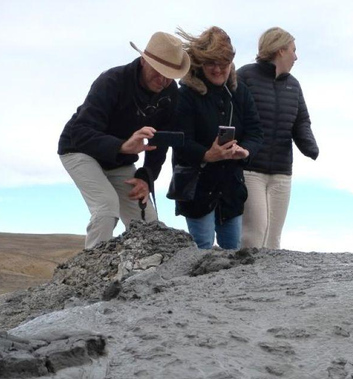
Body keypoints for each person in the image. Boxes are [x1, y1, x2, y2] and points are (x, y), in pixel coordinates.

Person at [58, 32, 190, 249]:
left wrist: (146, 178)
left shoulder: (170, 92)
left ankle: (149, 275)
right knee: (106, 208)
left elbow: (160, 142)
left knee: (148, 221)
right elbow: (80, 131)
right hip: (79, 150)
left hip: (119, 159)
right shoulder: (112, 81)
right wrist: (122, 146)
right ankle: (92, 274)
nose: (163, 80)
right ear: (144, 60)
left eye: (169, 75)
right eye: (158, 72)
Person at [172, 26, 263, 250]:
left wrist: (245, 152)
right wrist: (206, 155)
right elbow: (179, 140)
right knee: (201, 247)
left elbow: (255, 132)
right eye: (211, 63)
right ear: (199, 62)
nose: (218, 69)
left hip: (230, 188)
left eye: (224, 63)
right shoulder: (185, 94)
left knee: (232, 250)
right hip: (197, 189)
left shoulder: (239, 92)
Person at [237, 27, 319, 250]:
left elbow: (301, 121)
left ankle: (267, 285)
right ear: (280, 50)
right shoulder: (245, 76)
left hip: (282, 171)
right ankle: (243, 282)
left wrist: (310, 146)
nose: (296, 56)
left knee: (273, 239)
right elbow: (230, 113)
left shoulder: (294, 85)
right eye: (293, 50)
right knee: (254, 234)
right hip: (250, 169)